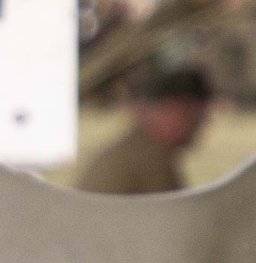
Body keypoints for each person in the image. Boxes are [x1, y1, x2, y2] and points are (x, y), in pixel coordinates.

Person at [72, 65, 212, 195]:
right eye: (190, 113)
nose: (202, 123)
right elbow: (176, 218)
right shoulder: (150, 161)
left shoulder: (136, 148)